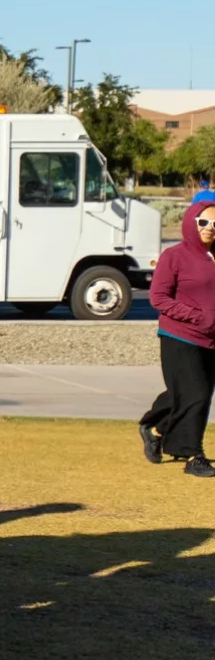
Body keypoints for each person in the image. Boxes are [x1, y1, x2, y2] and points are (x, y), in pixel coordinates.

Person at [141, 199, 215, 477]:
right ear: (191, 223)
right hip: (179, 335)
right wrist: (198, 316)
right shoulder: (174, 256)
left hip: (211, 338)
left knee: (188, 394)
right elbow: (158, 298)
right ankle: (193, 455)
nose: (210, 228)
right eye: (203, 222)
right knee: (194, 393)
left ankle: (155, 429)